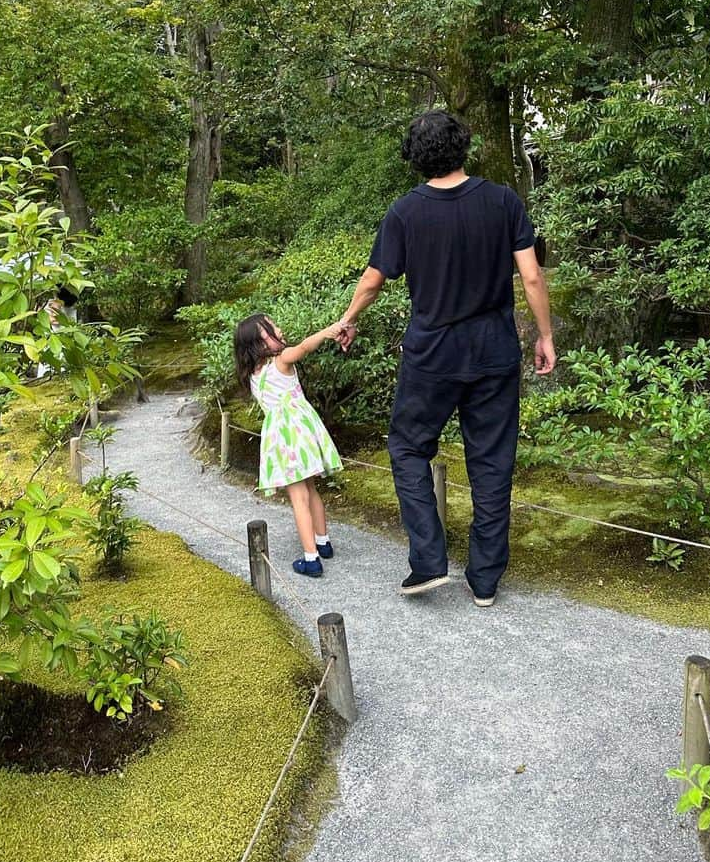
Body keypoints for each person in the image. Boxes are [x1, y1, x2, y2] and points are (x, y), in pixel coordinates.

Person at [337, 111, 557, 607]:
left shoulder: (406, 212)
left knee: (409, 448)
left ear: (415, 157)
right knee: (492, 461)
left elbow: (374, 279)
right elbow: (533, 277)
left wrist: (350, 318)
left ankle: (429, 561)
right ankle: (484, 581)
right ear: (464, 148)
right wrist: (544, 336)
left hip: (431, 355)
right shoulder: (503, 201)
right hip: (494, 353)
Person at [234, 313, 345, 578]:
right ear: (258, 344)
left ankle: (311, 559)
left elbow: (302, 347)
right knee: (309, 490)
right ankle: (321, 543)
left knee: (299, 496)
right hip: (301, 434)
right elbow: (305, 346)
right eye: (271, 330)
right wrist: (328, 330)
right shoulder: (281, 362)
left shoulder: (253, 374)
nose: (279, 330)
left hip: (283, 440)